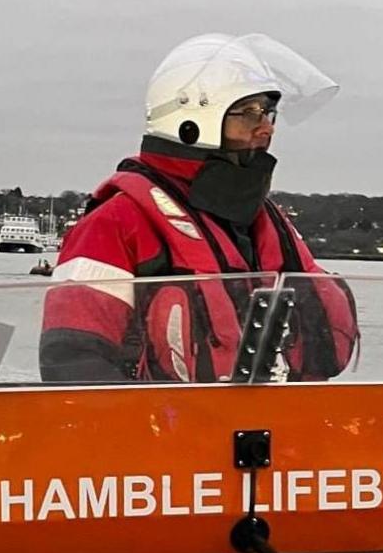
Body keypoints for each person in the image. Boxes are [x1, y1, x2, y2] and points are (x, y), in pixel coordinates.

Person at [40, 33, 359, 383]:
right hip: (168, 432)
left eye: (269, 112)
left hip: (277, 429)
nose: (266, 128)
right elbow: (73, 365)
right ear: (190, 121)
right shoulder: (115, 224)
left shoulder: (265, 222)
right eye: (249, 113)